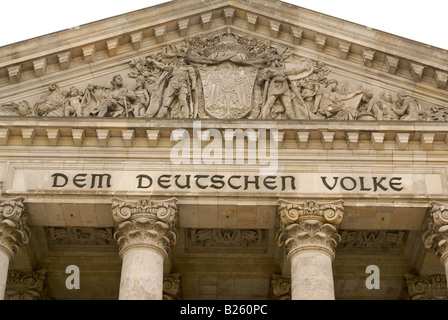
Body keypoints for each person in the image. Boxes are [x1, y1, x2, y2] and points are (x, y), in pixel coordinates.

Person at [259, 55, 296, 119]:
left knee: (288, 105)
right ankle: (263, 118)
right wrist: (264, 78)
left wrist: (305, 68)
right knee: (269, 103)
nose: (279, 62)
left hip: (284, 87)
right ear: (273, 60)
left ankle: (293, 122)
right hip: (274, 87)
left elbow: (293, 71)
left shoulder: (282, 69)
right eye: (278, 60)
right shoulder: (268, 69)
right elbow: (259, 82)